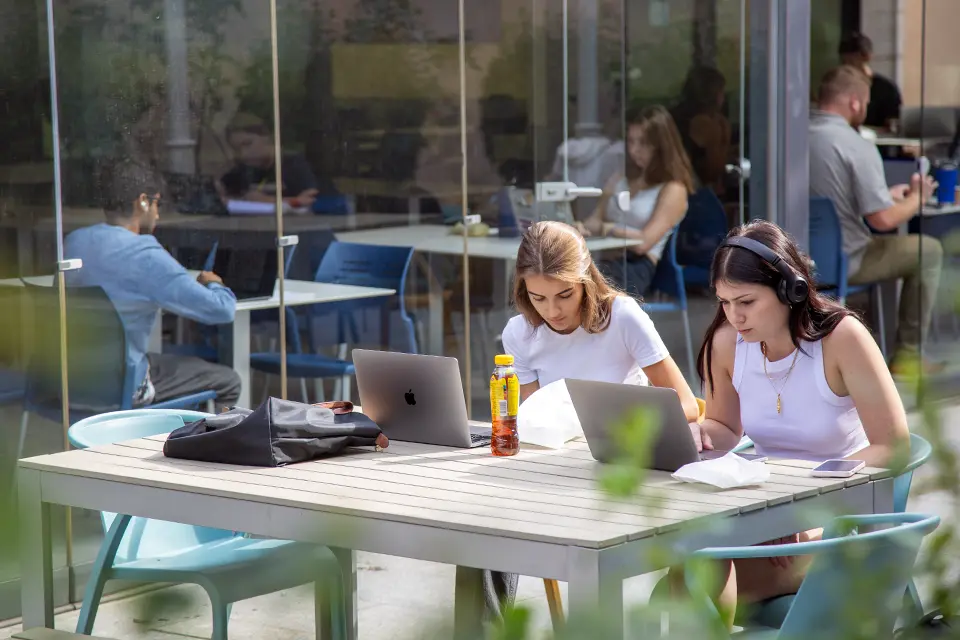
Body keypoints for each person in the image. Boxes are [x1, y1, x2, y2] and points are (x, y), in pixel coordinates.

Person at [684, 220, 909, 627]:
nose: (733, 316)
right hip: (760, 514)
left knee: (689, 581)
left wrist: (797, 503)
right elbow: (723, 426)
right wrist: (698, 434)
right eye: (724, 302)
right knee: (690, 568)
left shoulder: (843, 340)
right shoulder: (726, 344)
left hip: (835, 521)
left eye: (746, 302)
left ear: (792, 289)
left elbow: (893, 445)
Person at [483, 220, 702, 618]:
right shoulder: (520, 332)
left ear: (586, 280)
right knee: (478, 526)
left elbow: (686, 405)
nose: (552, 311)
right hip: (556, 469)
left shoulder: (622, 317)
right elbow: (532, 423)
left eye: (564, 295)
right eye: (538, 298)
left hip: (616, 468)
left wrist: (610, 426)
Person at [65, 161, 241, 409]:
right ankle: (199, 443)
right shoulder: (145, 254)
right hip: (121, 386)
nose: (158, 214)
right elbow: (222, 311)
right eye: (157, 203)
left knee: (159, 363)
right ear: (143, 202)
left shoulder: (75, 242)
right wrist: (214, 284)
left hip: (65, 380)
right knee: (227, 380)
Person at [808, 65, 942, 373]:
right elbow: (882, 220)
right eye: (866, 104)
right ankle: (908, 356)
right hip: (845, 260)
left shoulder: (790, 139)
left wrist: (886, 194)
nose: (865, 110)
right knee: (928, 250)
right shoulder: (857, 145)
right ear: (855, 102)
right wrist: (916, 199)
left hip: (794, 257)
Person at [576, 106, 696, 297]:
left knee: (578, 286)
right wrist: (578, 228)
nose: (635, 150)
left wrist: (606, 229)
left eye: (644, 143)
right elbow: (595, 219)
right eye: (631, 141)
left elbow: (643, 242)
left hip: (635, 266)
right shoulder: (621, 177)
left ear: (661, 145)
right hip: (603, 259)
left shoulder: (673, 188)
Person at [219, 112, 320, 209]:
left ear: (267, 137)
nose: (243, 154)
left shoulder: (295, 164)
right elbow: (221, 191)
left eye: (247, 144)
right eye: (236, 149)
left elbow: (311, 200)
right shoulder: (244, 170)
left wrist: (266, 200)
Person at [670, 66, 733, 196]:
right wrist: (723, 140)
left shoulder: (674, 116)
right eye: (722, 92)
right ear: (715, 94)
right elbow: (713, 170)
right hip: (695, 192)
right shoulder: (706, 124)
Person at [839, 32, 902, 132]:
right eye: (844, 62)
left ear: (867, 57)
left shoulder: (886, 89)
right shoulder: (839, 87)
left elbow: (893, 126)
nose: (848, 67)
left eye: (852, 61)